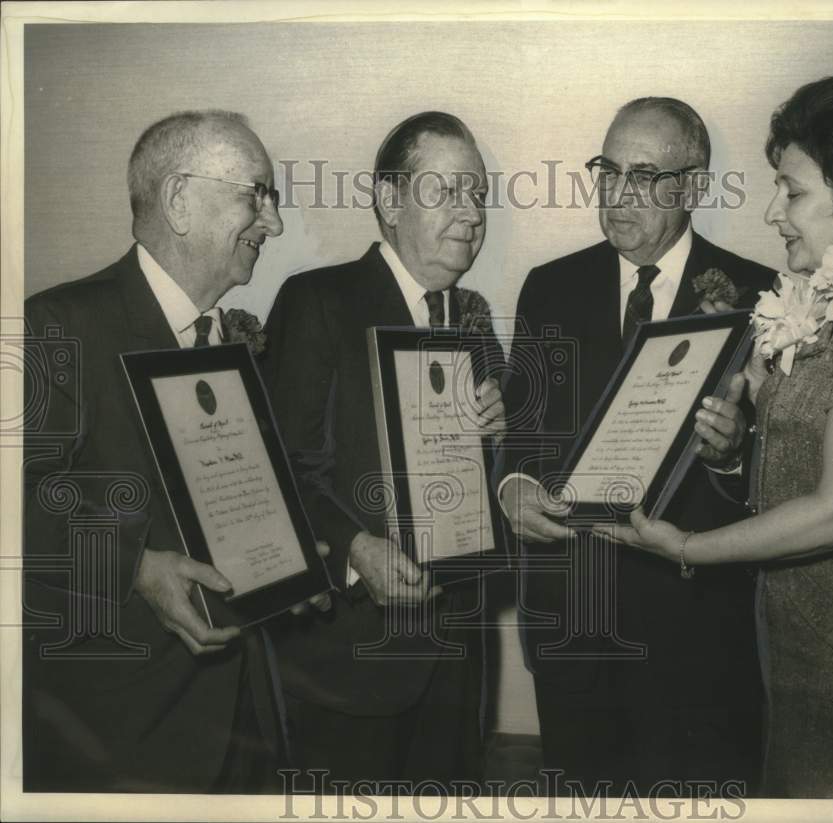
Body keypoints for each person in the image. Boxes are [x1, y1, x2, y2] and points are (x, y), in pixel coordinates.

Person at [597, 74, 833, 800]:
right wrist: (741, 443)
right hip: (819, 672)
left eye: (792, 192)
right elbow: (808, 462)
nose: (773, 212)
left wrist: (685, 547)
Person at [500, 97, 775, 795]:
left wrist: (736, 451)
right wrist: (513, 489)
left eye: (644, 175)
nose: (617, 195)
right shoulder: (549, 287)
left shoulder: (760, 293)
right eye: (608, 170)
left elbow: (790, 472)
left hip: (699, 636)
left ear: (694, 187)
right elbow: (519, 436)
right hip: (571, 627)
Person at [22, 110, 287, 792]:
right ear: (178, 200)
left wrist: (288, 557)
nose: (273, 223)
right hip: (120, 740)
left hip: (248, 722)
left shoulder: (237, 341)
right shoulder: (59, 323)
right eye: (255, 194)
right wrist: (136, 563)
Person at [261, 111, 505, 788]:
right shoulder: (318, 300)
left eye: (478, 194)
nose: (471, 213)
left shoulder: (476, 324)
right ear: (390, 201)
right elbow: (280, 472)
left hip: (455, 659)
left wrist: (501, 440)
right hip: (345, 663)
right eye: (447, 191)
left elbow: (485, 494)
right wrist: (352, 549)